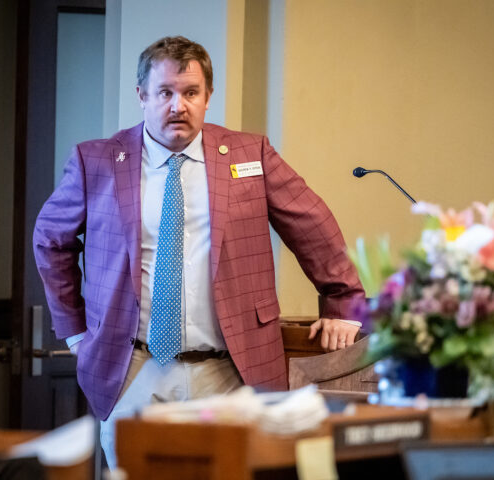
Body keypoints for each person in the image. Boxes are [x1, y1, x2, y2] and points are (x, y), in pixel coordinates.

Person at [33, 35, 364, 466]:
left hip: (232, 373)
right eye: (165, 93)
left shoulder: (250, 155)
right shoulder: (95, 162)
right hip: (132, 370)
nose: (178, 106)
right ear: (142, 95)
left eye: (191, 93)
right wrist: (75, 330)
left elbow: (312, 225)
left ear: (208, 96)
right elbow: (50, 241)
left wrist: (342, 302)